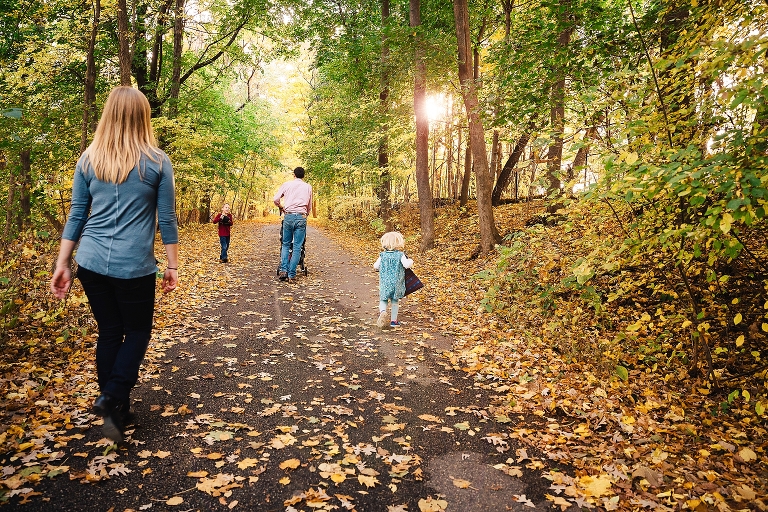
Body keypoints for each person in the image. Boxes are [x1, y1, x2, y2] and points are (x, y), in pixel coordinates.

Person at [49, 86, 179, 443]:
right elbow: (166, 218)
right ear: (143, 117)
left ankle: (116, 410)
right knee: (136, 332)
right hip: (133, 265)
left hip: (89, 261)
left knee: (109, 332)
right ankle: (113, 395)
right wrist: (172, 266)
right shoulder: (156, 161)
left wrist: (64, 263)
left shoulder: (89, 159)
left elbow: (77, 214)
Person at [273, 166, 312, 283]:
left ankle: (283, 270)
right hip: (301, 216)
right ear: (303, 176)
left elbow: (276, 199)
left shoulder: (287, 184)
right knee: (297, 247)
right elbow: (309, 205)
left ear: (294, 175)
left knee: (285, 244)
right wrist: (306, 214)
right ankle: (292, 274)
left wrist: (281, 207)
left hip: (288, 216)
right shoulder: (308, 187)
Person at [374, 231, 413, 328]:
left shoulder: (382, 255)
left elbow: (375, 266)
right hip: (396, 283)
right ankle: (393, 322)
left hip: (385, 283)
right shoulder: (400, 255)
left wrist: (381, 268)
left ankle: (383, 312)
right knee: (395, 301)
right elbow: (406, 265)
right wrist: (411, 261)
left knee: (383, 299)